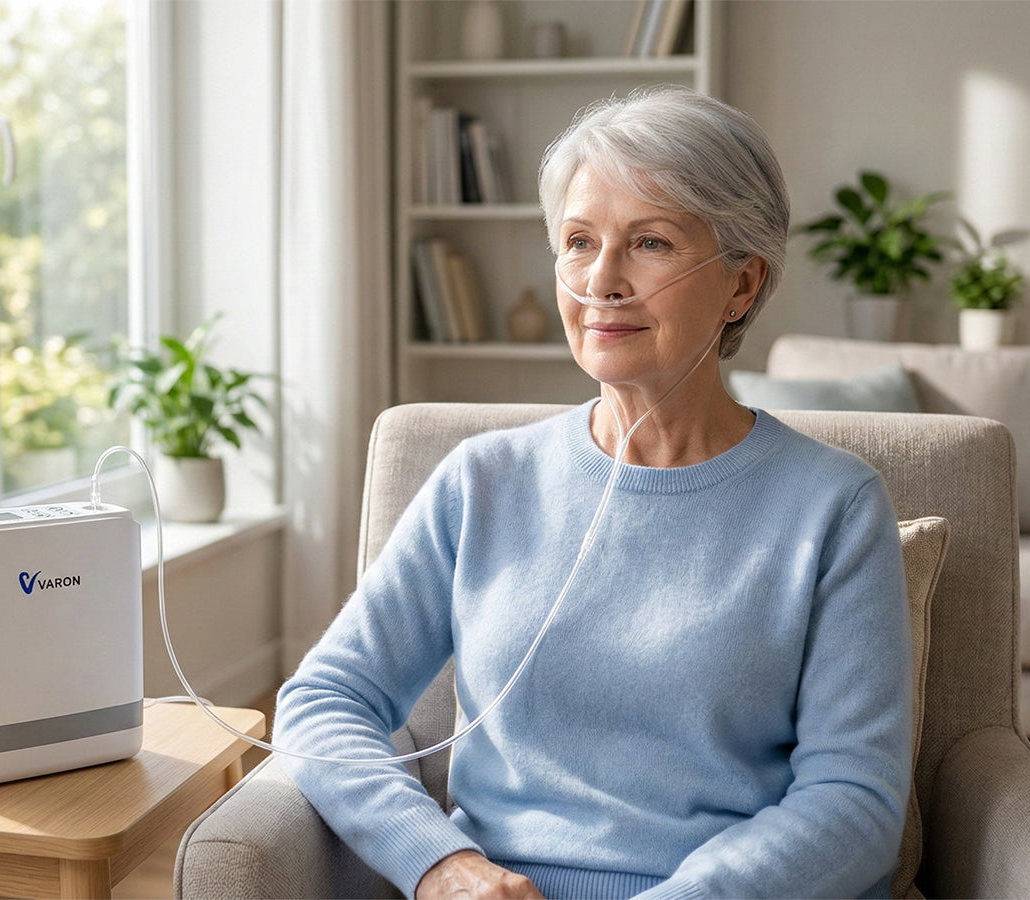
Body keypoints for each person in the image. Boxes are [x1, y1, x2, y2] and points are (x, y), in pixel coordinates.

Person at [275, 86, 912, 900]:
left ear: (742, 285)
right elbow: (327, 697)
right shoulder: (483, 481)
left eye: (649, 242)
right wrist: (440, 864)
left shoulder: (835, 507)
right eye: (579, 242)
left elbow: (855, 801)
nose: (601, 281)